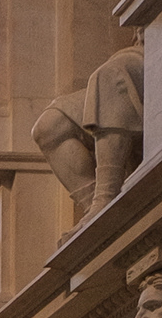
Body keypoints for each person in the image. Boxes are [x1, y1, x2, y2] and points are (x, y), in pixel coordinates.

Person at [32, 45, 144, 217]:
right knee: (49, 126)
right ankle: (95, 210)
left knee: (110, 75)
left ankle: (105, 196)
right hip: (141, 42)